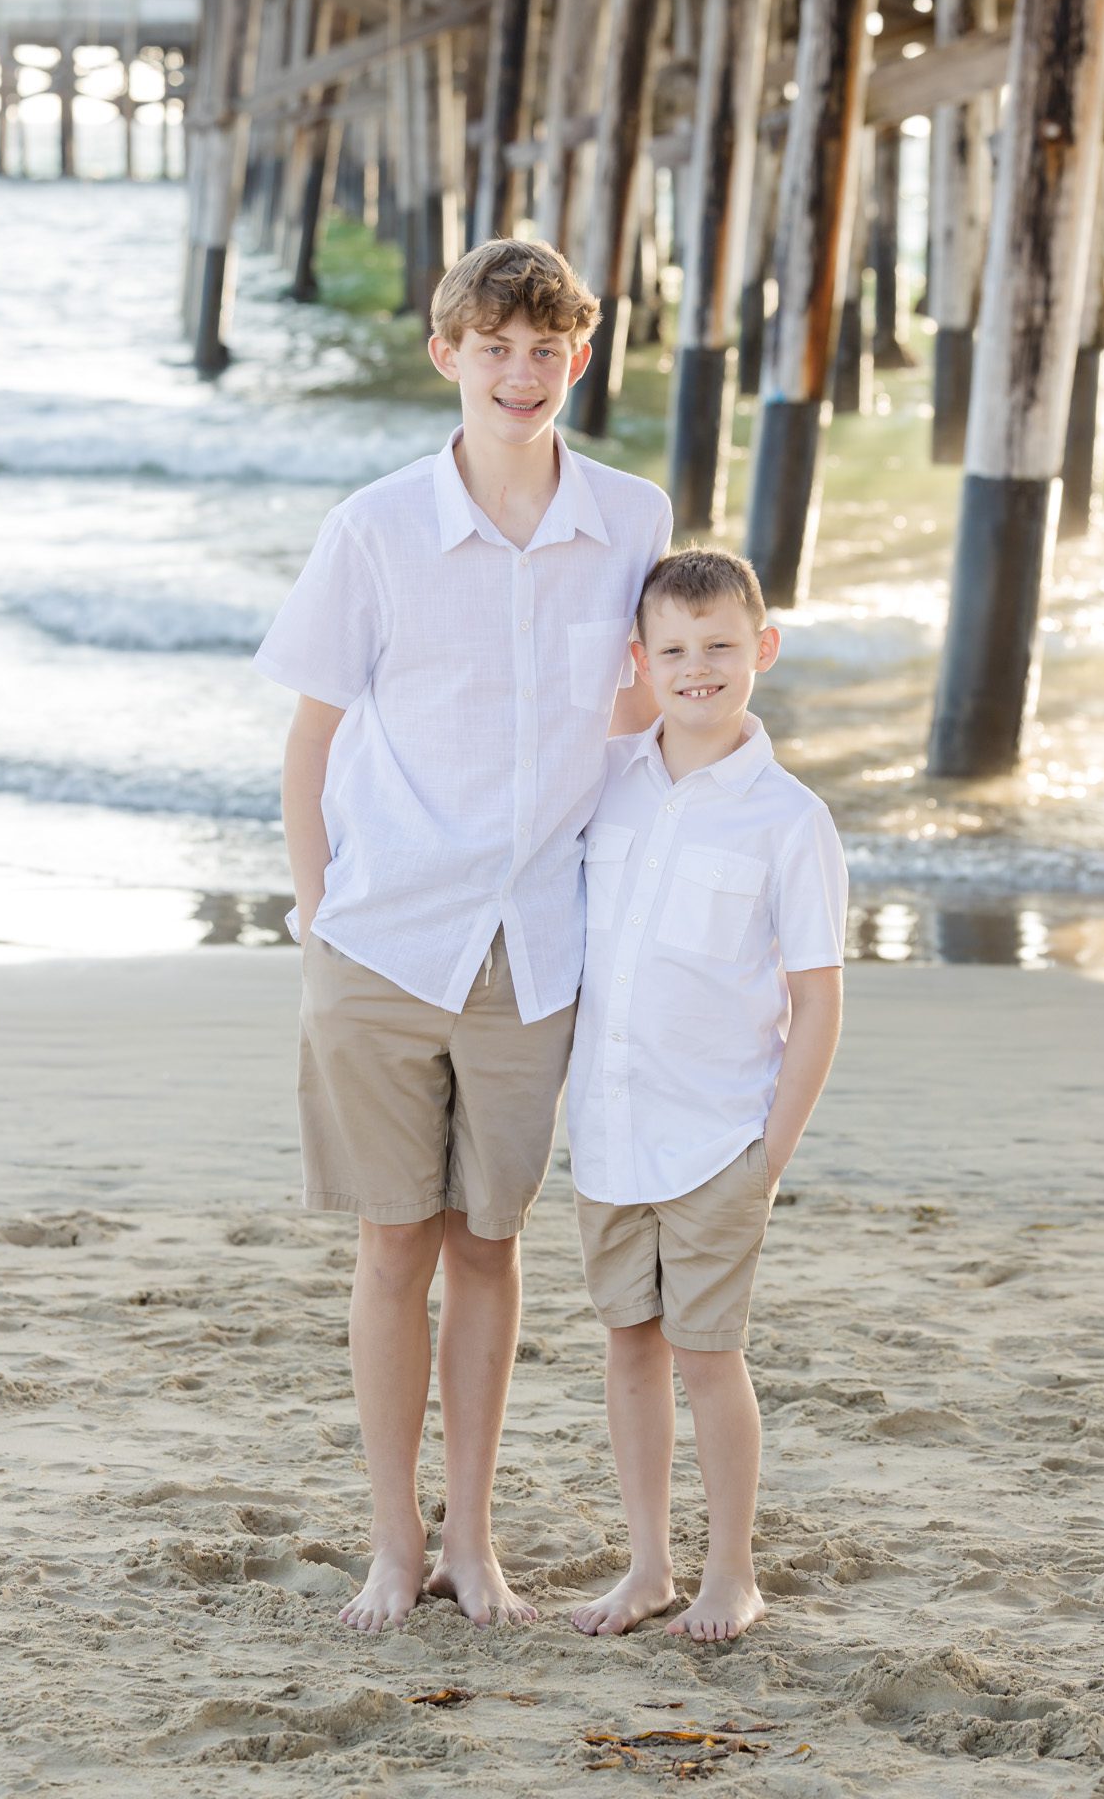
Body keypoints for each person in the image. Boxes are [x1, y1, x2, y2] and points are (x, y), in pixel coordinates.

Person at [252, 237, 671, 1634]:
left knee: (487, 1244)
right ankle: (388, 1543)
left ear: (578, 358)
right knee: (392, 1244)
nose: (520, 373)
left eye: (545, 349)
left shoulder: (628, 517)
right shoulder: (373, 528)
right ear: (447, 355)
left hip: (538, 947)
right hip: (380, 939)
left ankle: (471, 1546)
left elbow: (644, 701)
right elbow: (309, 740)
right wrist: (319, 915)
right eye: (494, 347)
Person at [567, 547, 848, 1643]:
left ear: (761, 651)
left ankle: (732, 1568)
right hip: (608, 1130)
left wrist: (769, 1153)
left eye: (721, 646)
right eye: (674, 650)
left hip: (721, 1135)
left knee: (707, 1353)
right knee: (629, 1343)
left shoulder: (788, 818)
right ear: (640, 660)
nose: (698, 669)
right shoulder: (607, 782)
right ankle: (647, 1564)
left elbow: (817, 1001)